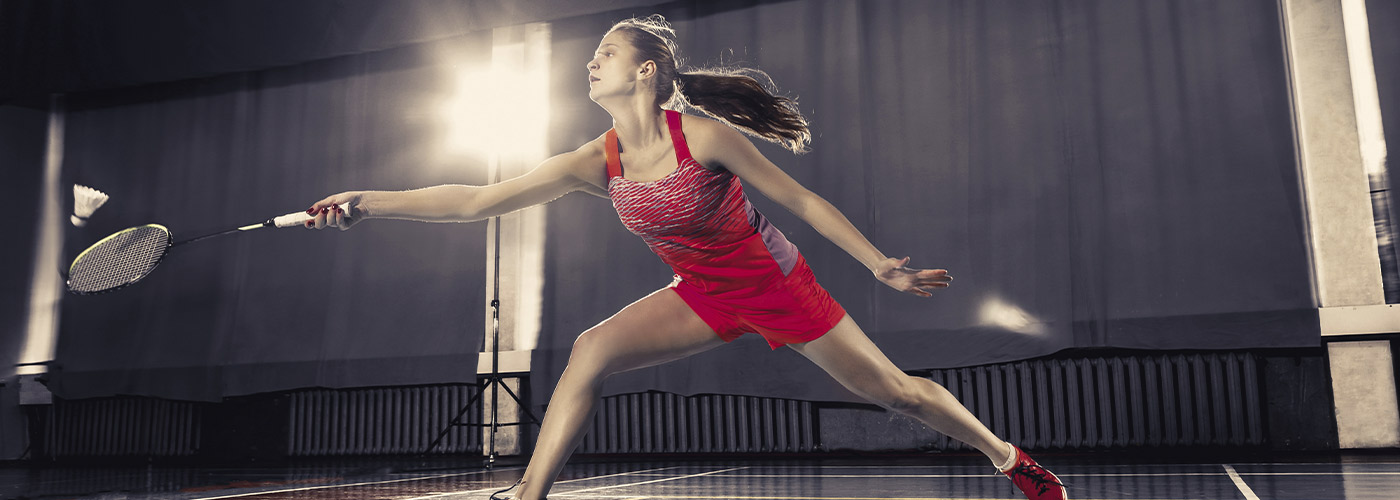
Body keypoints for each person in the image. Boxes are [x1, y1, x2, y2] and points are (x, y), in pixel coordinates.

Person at [304, 15, 1066, 500]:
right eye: (592, 55)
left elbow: (801, 203)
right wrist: (367, 198)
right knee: (592, 349)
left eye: (605, 53)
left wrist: (878, 266)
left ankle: (1007, 458)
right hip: (700, 291)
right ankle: (529, 495)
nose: (590, 63)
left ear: (645, 71)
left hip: (776, 286)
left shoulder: (701, 137)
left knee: (897, 394)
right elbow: (475, 201)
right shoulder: (592, 159)